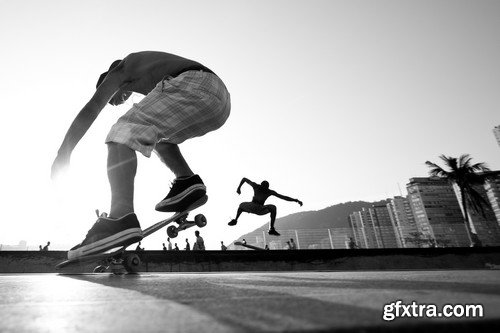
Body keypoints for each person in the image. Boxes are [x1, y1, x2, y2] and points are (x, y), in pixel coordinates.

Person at [51, 51, 231, 260]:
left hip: (196, 83)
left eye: (112, 98)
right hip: (219, 101)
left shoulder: (122, 68)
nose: (116, 103)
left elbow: (92, 108)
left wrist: (63, 152)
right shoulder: (153, 74)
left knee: (123, 131)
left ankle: (120, 217)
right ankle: (187, 181)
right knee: (151, 135)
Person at [228, 178, 303, 236]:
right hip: (253, 206)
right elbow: (244, 179)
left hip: (260, 208)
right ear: (261, 185)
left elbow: (283, 197)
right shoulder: (257, 186)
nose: (263, 190)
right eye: (262, 188)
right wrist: (239, 188)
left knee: (273, 207)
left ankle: (271, 229)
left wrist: (295, 200)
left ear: (266, 188)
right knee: (241, 205)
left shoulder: (266, 190)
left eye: (264, 189)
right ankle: (235, 220)